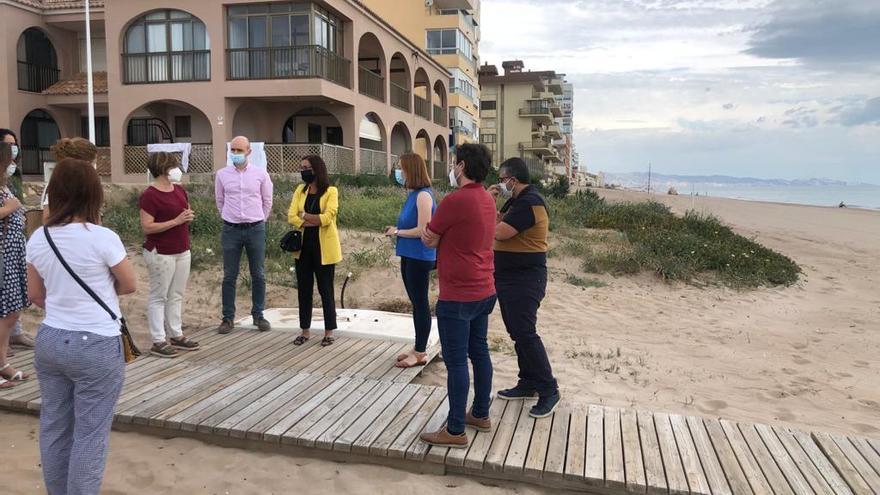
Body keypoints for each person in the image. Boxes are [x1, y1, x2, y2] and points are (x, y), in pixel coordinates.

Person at [26, 158, 136, 494]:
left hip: (51, 338)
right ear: (94, 193)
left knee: (55, 427)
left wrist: (65, 301)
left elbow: (35, 294)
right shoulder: (103, 237)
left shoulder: (39, 237)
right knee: (90, 433)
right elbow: (129, 284)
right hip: (97, 342)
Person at [419, 143, 497, 448]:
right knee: (480, 352)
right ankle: (480, 413)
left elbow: (429, 238)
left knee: (456, 362)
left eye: (455, 162)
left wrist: (437, 239)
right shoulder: (487, 198)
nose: (452, 167)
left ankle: (454, 430)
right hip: (484, 287)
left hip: (458, 294)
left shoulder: (455, 200)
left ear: (462, 166)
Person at [489, 158, 561, 418]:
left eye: (502, 179)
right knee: (517, 332)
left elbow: (499, 231)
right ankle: (528, 382)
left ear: (513, 179)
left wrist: (487, 208)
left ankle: (549, 389)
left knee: (525, 332)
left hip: (525, 278)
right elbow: (498, 220)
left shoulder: (530, 202)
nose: (500, 183)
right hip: (510, 277)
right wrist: (492, 204)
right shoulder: (516, 201)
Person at [140, 152, 199, 358]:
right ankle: (158, 339)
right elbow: (147, 226)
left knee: (176, 294)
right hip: (160, 252)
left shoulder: (179, 190)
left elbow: (184, 211)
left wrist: (187, 216)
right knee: (159, 295)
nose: (178, 170)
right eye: (174, 166)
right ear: (164, 169)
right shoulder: (150, 195)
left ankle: (176, 334)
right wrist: (176, 221)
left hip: (182, 249)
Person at [215, 136, 273, 334]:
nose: (235, 153)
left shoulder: (261, 174)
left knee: (258, 273)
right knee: (229, 275)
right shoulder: (222, 174)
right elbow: (220, 200)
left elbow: (267, 200)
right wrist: (228, 216)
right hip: (231, 229)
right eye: (232, 150)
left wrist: (260, 219)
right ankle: (227, 318)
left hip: (255, 228)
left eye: (239, 150)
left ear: (249, 151)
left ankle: (258, 315)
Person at [384, 153, 436, 368]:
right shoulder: (413, 194)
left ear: (410, 170)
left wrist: (397, 232)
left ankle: (421, 352)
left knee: (420, 303)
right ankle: (417, 347)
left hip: (419, 256)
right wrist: (397, 230)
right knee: (416, 303)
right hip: (409, 254)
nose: (399, 172)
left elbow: (423, 229)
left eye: (401, 168)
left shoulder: (423, 195)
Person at [288, 155, 341, 347]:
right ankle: (305, 331)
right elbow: (291, 216)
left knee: (325, 289)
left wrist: (304, 215)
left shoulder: (331, 191)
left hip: (324, 248)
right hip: (303, 248)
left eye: (307, 167)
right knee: (304, 289)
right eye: (301, 167)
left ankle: (329, 332)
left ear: (317, 169)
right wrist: (312, 219)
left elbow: (327, 218)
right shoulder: (300, 190)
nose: (303, 171)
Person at [0, 129, 33, 353]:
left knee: (14, 302)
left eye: (15, 145)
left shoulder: (11, 178)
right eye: (8, 146)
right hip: (4, 250)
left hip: (14, 248)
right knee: (6, 303)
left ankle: (11, 338)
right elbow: (10, 206)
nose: (13, 151)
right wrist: (8, 209)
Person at [44, 138, 99, 223]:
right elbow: (47, 217)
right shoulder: (57, 186)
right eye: (93, 164)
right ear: (86, 163)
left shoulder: (56, 184)